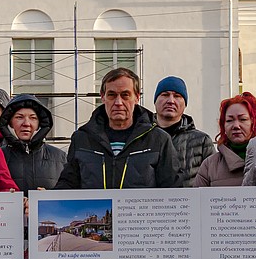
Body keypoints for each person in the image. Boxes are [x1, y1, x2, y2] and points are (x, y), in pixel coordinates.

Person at [56, 68, 185, 189]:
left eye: (125, 95)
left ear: (137, 97)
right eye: (112, 95)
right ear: (103, 97)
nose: (118, 103)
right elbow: (68, 185)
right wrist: (47, 198)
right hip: (94, 213)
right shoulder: (82, 139)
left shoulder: (159, 140)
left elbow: (173, 190)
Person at [154, 75, 215, 185]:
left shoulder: (202, 141)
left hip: (190, 201)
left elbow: (214, 180)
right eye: (165, 95)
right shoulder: (142, 137)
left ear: (185, 103)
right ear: (155, 100)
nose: (171, 101)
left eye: (177, 96)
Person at [194, 93, 256, 187]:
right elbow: (198, 200)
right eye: (229, 120)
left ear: (254, 123)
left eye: (242, 119)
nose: (236, 126)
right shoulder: (210, 165)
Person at [0, 94, 66, 192]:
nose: (26, 123)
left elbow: (68, 195)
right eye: (19, 117)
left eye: (33, 118)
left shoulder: (60, 157)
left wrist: (50, 197)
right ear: (10, 122)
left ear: (40, 123)